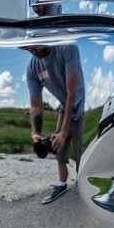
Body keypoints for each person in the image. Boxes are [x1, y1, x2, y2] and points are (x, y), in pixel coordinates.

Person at [27, 44, 86, 204]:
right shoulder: (33, 68)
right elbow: (36, 105)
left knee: (80, 149)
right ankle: (62, 184)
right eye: (27, 49)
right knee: (57, 147)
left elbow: (71, 92)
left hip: (80, 104)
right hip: (63, 105)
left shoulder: (67, 48)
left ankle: (83, 184)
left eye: (34, 47)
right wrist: (35, 132)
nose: (32, 50)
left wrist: (64, 131)